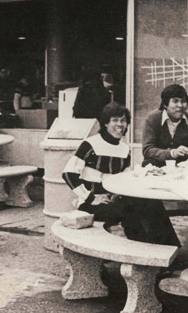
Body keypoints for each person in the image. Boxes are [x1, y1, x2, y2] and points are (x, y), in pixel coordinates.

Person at [62, 102, 180, 246]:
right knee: (131, 212)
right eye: (115, 120)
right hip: (92, 204)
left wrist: (119, 193)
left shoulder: (124, 149)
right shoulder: (90, 144)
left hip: (115, 200)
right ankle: (144, 254)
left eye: (123, 120)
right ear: (105, 123)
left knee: (152, 204)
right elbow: (68, 174)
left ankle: (170, 248)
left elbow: (123, 178)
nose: (120, 124)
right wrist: (91, 198)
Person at [142, 84, 188, 167]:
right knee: (147, 163)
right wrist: (172, 153)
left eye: (183, 101)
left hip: (182, 165)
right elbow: (147, 150)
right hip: (157, 165)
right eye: (175, 101)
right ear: (165, 104)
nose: (180, 105)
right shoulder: (153, 118)